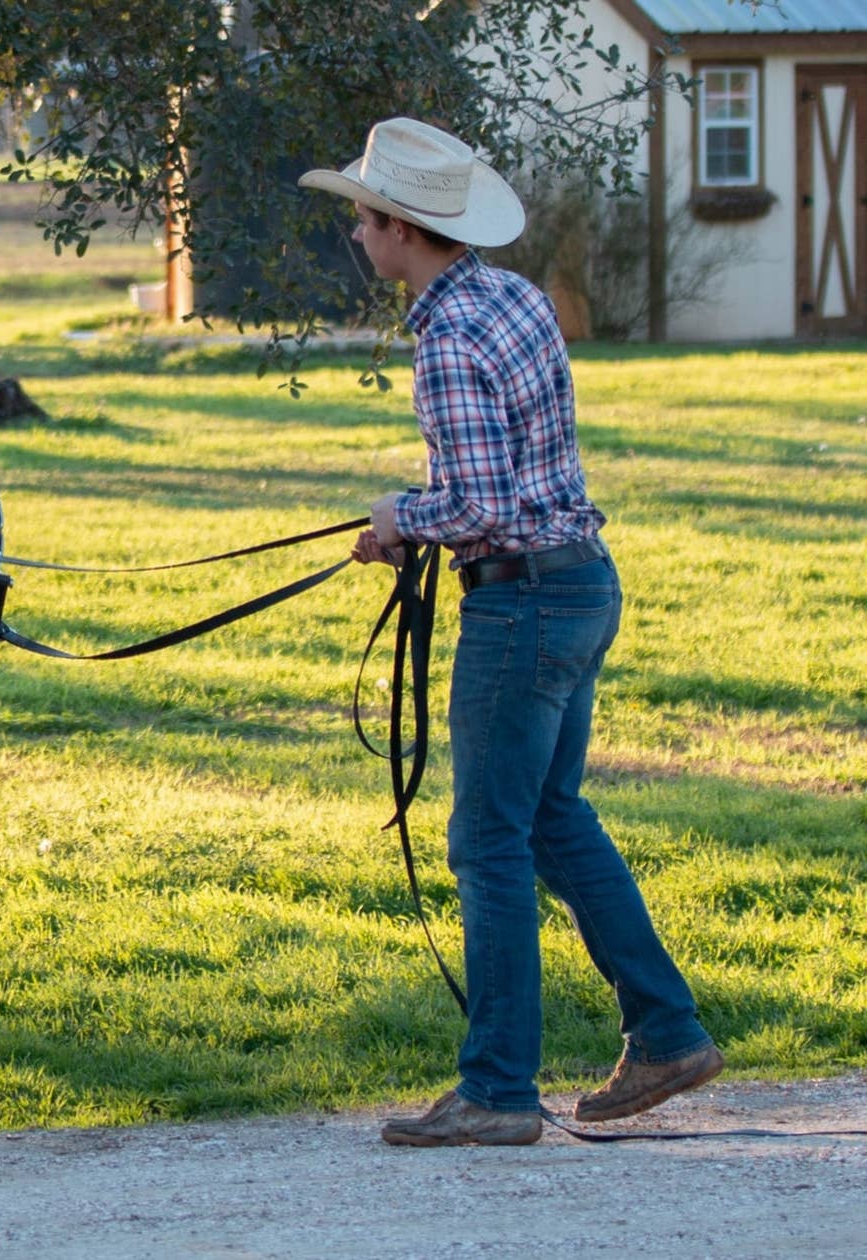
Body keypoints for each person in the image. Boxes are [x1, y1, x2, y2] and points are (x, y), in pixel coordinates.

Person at [299, 117, 720, 1147]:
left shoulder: (446, 337)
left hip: (521, 605)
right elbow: (522, 477)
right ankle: (666, 1030)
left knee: (487, 842)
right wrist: (418, 511)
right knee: (554, 820)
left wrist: (403, 517)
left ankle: (496, 1089)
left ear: (401, 229)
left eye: (363, 217)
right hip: (582, 585)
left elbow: (480, 501)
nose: (356, 233)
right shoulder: (515, 297)